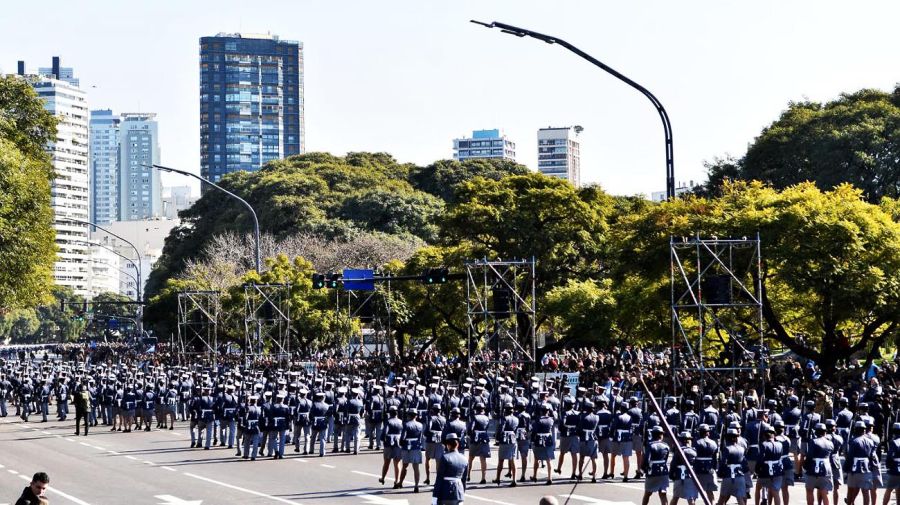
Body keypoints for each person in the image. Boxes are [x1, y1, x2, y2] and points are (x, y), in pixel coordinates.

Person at [432, 433, 468, 505]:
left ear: (448, 445)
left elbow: (439, 478)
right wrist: (462, 493)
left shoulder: (445, 457)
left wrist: (434, 497)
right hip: (459, 492)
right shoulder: (464, 459)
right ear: (457, 445)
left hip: (445, 492)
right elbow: (464, 480)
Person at [642, 425, 670, 505]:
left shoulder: (650, 445)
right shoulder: (666, 446)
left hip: (652, 471)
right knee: (663, 494)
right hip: (663, 471)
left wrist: (644, 469)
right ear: (661, 435)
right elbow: (666, 459)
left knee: (647, 493)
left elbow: (647, 459)